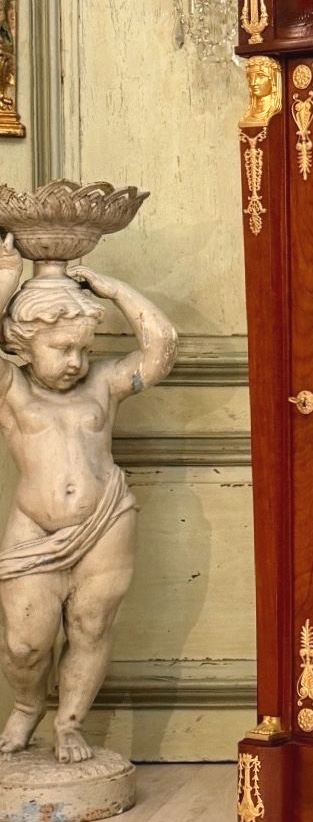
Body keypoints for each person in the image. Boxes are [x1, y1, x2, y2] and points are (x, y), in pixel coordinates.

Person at [0, 234, 177, 762]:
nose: (76, 361)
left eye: (84, 348)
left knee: (91, 627)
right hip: (34, 529)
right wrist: (7, 283)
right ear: (24, 347)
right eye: (61, 349)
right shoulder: (13, 389)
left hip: (107, 520)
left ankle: (70, 724)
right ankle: (28, 707)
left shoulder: (103, 383)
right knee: (25, 644)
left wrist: (113, 288)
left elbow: (161, 347)